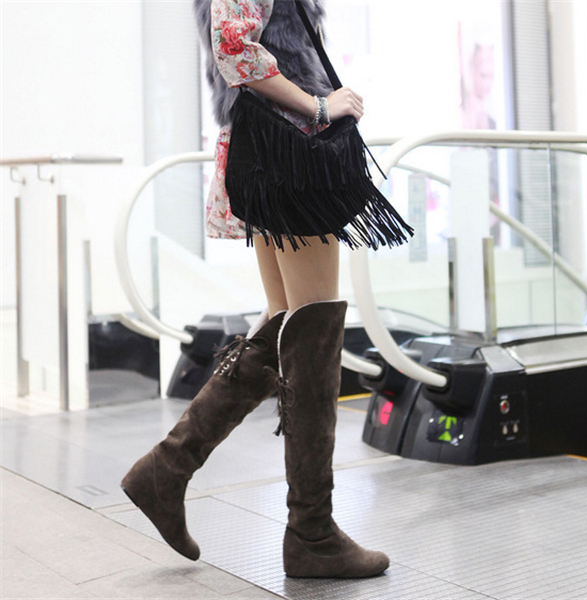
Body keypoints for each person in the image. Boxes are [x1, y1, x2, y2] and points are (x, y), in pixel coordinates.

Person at [121, 0, 399, 579]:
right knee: (314, 328)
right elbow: (233, 47)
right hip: (290, 153)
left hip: (272, 150)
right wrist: (319, 104)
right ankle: (312, 534)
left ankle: (167, 470)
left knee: (285, 325)